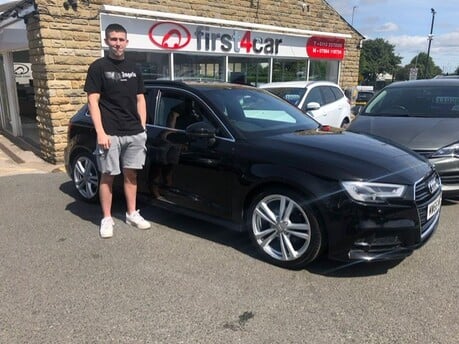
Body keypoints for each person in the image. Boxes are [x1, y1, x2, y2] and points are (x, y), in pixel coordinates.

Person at [84, 23, 151, 238]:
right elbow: (93, 102)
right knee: (108, 176)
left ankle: (132, 213)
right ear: (106, 41)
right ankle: (106, 218)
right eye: (113, 39)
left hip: (134, 132)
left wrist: (142, 127)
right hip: (110, 133)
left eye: (121, 39)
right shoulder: (98, 67)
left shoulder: (135, 67)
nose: (118, 43)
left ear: (127, 42)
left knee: (131, 174)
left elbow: (140, 98)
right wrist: (101, 132)